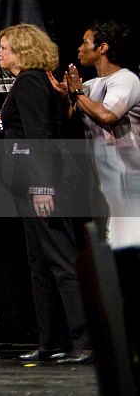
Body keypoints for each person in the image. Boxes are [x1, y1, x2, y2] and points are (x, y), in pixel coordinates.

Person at [0, 24, 93, 364]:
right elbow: (22, 129)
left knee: (61, 261)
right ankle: (50, 341)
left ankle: (85, 340)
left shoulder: (30, 80)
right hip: (29, 185)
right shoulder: (31, 81)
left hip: (41, 185)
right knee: (39, 264)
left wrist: (43, 186)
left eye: (3, 47)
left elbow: (40, 136)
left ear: (22, 50)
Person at [63, 20, 140, 250]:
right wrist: (63, 96)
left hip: (130, 178)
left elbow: (107, 115)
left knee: (130, 245)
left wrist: (76, 93)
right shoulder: (89, 85)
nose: (79, 48)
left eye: (85, 42)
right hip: (103, 183)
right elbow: (70, 119)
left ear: (102, 47)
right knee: (111, 250)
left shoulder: (127, 79)